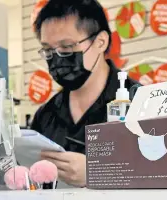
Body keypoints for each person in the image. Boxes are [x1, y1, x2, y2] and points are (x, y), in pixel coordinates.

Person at [31, 0, 139, 187]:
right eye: (48, 50)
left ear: (101, 42)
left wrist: (98, 173)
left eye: (67, 46)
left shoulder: (142, 102)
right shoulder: (45, 115)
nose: (57, 58)